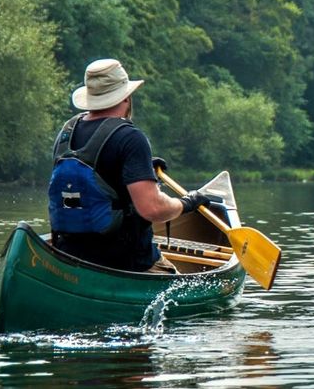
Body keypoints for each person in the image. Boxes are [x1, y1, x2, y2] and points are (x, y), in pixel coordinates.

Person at [48, 58, 214, 273]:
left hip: (68, 255)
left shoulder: (67, 132)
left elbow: (93, 181)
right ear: (126, 96)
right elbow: (152, 209)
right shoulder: (130, 138)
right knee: (175, 279)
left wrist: (141, 169)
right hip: (125, 262)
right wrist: (186, 203)